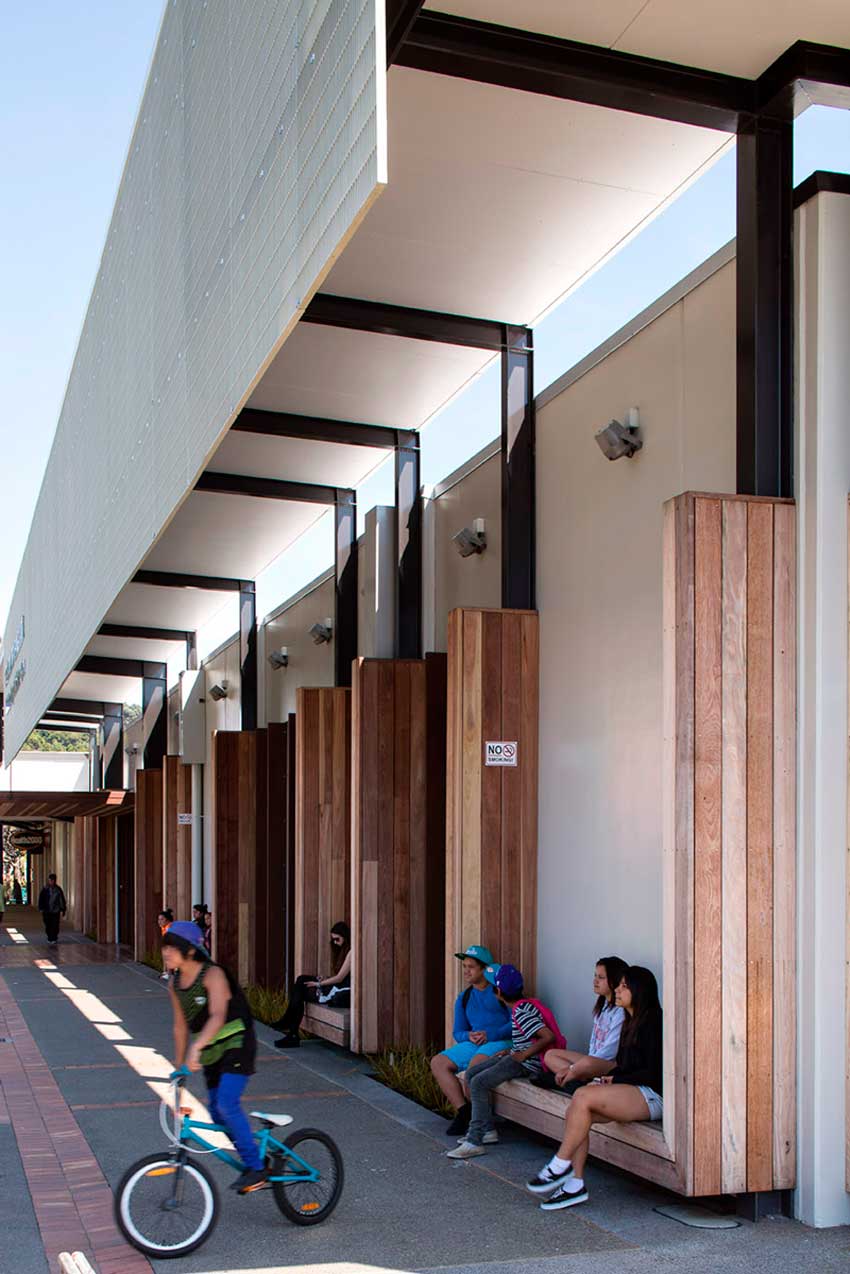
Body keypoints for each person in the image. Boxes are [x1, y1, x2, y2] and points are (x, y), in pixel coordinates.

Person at [526, 965, 663, 1210]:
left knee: (582, 1096)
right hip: (632, 1090)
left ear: (638, 990)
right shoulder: (629, 1021)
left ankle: (559, 1164)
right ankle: (574, 1184)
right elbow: (625, 1066)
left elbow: (653, 1073)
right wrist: (611, 1079)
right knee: (577, 1111)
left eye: (624, 986)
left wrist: (616, 1080)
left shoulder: (653, 1021)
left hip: (652, 1096)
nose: (617, 990)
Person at [163, 919, 267, 1194]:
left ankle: (257, 1168)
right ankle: (252, 1157)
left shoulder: (213, 974)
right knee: (216, 1113)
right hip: (211, 1051)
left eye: (172, 948)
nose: (166, 953)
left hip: (236, 1043)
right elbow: (180, 1026)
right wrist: (179, 1067)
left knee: (226, 1103)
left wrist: (197, 1048)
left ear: (190, 951)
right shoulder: (174, 984)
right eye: (165, 948)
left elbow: (219, 1015)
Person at [448, 963, 561, 1160]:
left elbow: (547, 1036)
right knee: (472, 1073)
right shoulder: (520, 1007)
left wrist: (523, 1055)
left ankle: (475, 1140)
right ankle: (488, 1130)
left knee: (478, 1082)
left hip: (525, 1064)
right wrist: (509, 1051)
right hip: (515, 1056)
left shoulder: (521, 1011)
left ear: (498, 992)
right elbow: (525, 1039)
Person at [431, 944, 512, 1136]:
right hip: (474, 1044)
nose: (466, 971)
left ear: (485, 969)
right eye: (464, 966)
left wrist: (491, 1034)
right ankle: (464, 1112)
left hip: (500, 1042)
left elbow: (516, 1023)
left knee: (474, 1069)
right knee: (438, 1062)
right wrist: (468, 1036)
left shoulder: (500, 992)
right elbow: (458, 1032)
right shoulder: (464, 996)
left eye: (471, 967)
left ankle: (485, 1127)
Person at [538, 956, 628, 1091]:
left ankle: (567, 1080)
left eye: (601, 977)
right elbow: (593, 1042)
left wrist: (576, 1068)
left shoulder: (620, 1012)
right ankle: (575, 1081)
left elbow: (610, 1051)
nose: (595, 981)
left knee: (587, 1063)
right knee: (550, 1055)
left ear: (614, 980)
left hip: (608, 1064)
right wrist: (581, 1066)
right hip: (592, 1062)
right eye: (595, 976)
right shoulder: (602, 1006)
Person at [273, 921, 351, 1049]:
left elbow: (340, 978)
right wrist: (324, 979)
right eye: (333, 941)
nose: (335, 943)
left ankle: (290, 1028)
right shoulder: (343, 951)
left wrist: (319, 983)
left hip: (341, 990)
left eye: (337, 939)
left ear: (345, 936)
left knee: (301, 989)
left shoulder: (351, 952)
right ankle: (291, 1030)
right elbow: (338, 976)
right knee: (301, 980)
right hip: (336, 985)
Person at [37, 873, 67, 946]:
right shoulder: (45, 889)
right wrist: (41, 908)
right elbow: (41, 899)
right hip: (47, 910)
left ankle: (54, 938)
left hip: (55, 911)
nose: (52, 882)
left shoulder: (58, 889)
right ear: (49, 880)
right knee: (48, 924)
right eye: (50, 880)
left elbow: (61, 900)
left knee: (55, 925)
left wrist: (63, 909)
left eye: (53, 880)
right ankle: (49, 937)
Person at [158, 909, 174, 980]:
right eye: (159, 919)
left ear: (167, 920)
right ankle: (168, 972)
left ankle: (170, 973)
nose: (159, 921)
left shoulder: (169, 928)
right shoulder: (164, 927)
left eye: (162, 919)